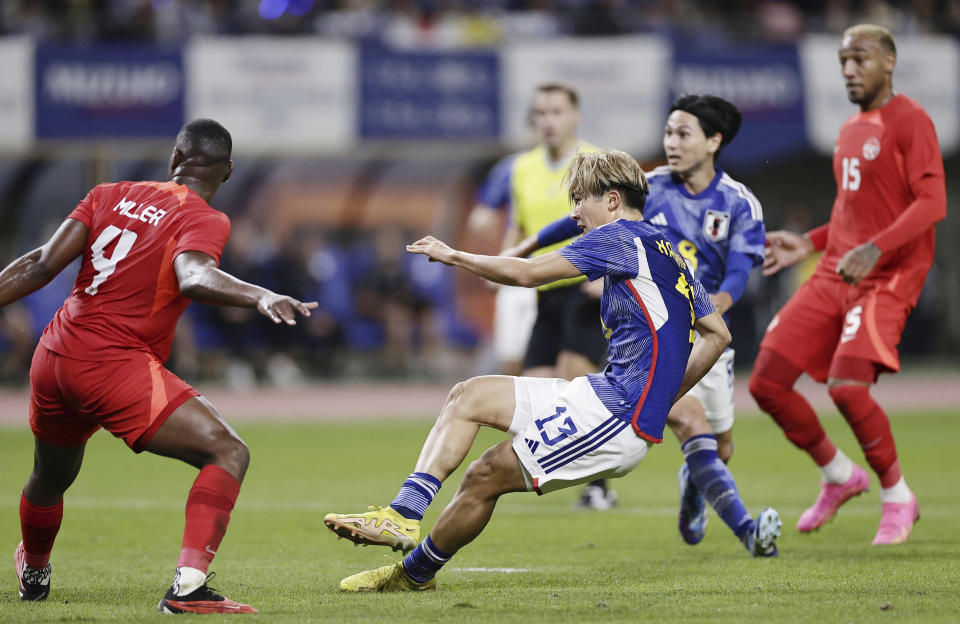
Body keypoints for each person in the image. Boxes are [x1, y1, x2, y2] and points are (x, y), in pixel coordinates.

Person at [323, 150, 781, 593]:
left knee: (485, 475)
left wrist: (455, 255)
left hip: (614, 416)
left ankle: (413, 573)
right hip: (599, 393)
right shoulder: (670, 250)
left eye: (581, 198)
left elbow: (526, 274)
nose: (576, 212)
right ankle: (402, 513)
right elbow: (718, 334)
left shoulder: (619, 237)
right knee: (470, 395)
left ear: (613, 199)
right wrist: (663, 399)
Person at [9, 119, 317, 613]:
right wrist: (261, 294)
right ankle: (189, 588)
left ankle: (36, 571)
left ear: (174, 159)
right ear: (229, 172)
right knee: (227, 451)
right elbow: (194, 276)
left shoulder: (108, 192)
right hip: (113, 363)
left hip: (54, 354)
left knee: (50, 476)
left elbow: (42, 263)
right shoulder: (205, 217)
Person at [507, 95, 769, 552]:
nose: (671, 142)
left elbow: (739, 274)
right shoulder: (648, 186)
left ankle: (694, 483)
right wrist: (526, 245)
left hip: (708, 333)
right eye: (668, 132)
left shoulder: (738, 202)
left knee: (719, 449)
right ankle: (752, 533)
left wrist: (706, 307)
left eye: (683, 134)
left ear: (713, 141)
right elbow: (577, 223)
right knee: (687, 420)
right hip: (657, 336)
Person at [749, 24, 946, 545]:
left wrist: (877, 248)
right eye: (842, 61)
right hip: (837, 270)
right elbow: (852, 213)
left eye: (860, 58)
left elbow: (933, 204)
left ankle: (898, 496)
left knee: (846, 387)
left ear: (889, 61)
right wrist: (809, 242)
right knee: (767, 381)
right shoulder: (850, 129)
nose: (849, 70)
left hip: (886, 278)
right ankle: (839, 476)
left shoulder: (912, 121)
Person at [464, 152, 537, 376]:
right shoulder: (514, 167)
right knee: (510, 356)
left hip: (554, 271)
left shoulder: (577, 165)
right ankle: (519, 409)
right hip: (517, 269)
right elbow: (483, 216)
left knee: (542, 358)